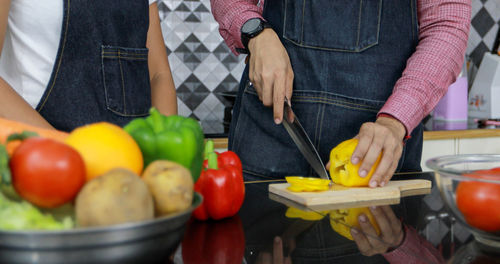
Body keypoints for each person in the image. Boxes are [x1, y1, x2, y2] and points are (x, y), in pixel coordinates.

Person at [210, 0, 471, 185]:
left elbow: (446, 26)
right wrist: (255, 32)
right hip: (270, 139)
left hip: (376, 150)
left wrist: (395, 120)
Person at [0, 0, 177, 132]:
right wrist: (67, 151)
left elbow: (158, 75)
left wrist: (162, 150)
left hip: (133, 156)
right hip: (43, 156)